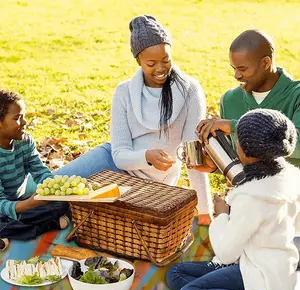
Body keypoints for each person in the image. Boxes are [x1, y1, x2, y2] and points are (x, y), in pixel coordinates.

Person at [52, 15, 213, 225]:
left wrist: (204, 211)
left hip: (149, 185)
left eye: (166, 59)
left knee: (86, 213)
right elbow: (119, 155)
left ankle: (61, 217)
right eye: (151, 63)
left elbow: (193, 156)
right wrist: (146, 156)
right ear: (138, 61)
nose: (160, 68)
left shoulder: (190, 90)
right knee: (49, 188)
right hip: (113, 163)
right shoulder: (125, 92)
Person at [166, 108, 300, 290]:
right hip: (273, 266)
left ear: (244, 151)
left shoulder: (252, 197)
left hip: (260, 276)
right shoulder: (291, 178)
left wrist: (222, 215)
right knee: (175, 274)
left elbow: (226, 252)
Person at [196, 29, 300, 259]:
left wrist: (235, 125)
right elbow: (242, 159)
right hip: (247, 205)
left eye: (242, 69)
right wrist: (215, 165)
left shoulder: (296, 95)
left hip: (288, 209)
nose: (236, 76)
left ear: (265, 63)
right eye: (233, 68)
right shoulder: (230, 99)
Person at [0, 90, 70, 251]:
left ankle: (11, 232)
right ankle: (46, 224)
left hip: (20, 200)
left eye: (23, 116)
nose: (24, 122)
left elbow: (40, 171)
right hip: (5, 207)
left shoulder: (25, 141)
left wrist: (55, 189)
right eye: (17, 118)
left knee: (63, 203)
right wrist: (29, 204)